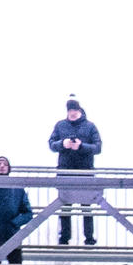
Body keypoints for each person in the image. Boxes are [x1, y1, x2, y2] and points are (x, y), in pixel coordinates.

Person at [48, 96, 102, 246]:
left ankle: (89, 238)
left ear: (79, 110)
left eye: (74, 110)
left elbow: (98, 147)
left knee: (86, 207)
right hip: (66, 173)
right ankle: (64, 238)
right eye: (70, 111)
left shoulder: (90, 126)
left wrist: (81, 146)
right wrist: (62, 144)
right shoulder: (60, 125)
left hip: (85, 173)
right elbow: (51, 144)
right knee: (65, 206)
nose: (72, 113)